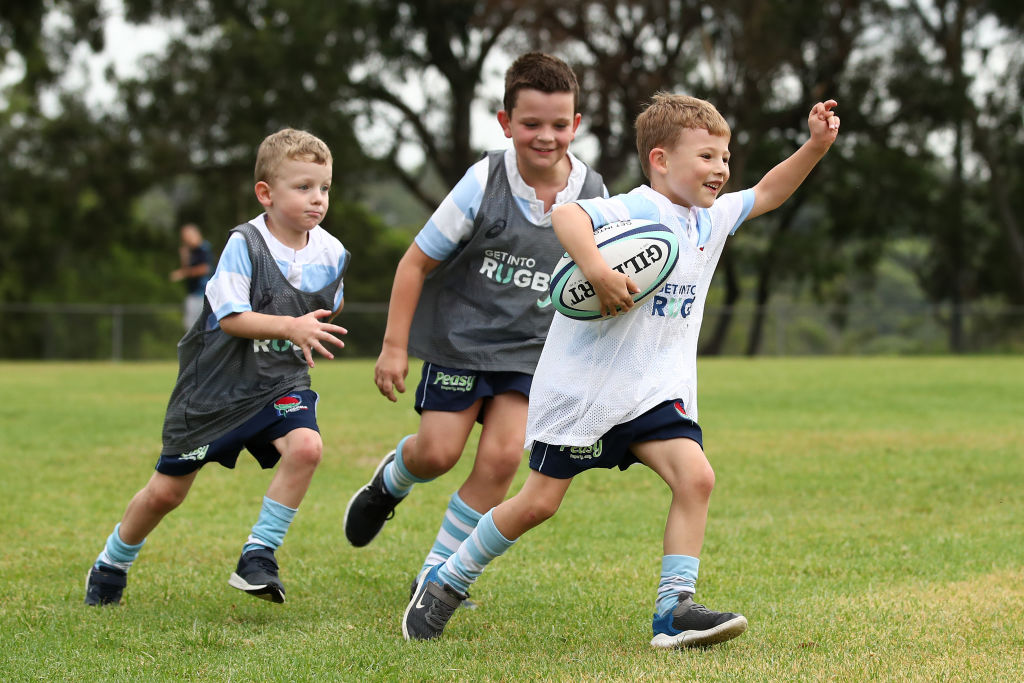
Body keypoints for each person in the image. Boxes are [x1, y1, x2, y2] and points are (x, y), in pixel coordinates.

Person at [401, 94, 841, 647]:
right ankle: (447, 580)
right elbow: (567, 214)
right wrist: (597, 269)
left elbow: (770, 191)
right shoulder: (635, 208)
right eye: (706, 156)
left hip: (655, 391)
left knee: (697, 477)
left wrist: (816, 146)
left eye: (725, 157)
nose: (721, 169)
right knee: (538, 503)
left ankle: (673, 611)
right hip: (586, 394)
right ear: (660, 160)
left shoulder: (713, 217)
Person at [343, 52, 606, 596]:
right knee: (437, 453)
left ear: (576, 124)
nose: (546, 137)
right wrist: (394, 346)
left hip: (534, 352)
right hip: (461, 343)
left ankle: (435, 573)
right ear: (506, 122)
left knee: (504, 457)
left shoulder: (594, 194)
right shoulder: (482, 181)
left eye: (560, 125)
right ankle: (389, 482)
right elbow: (414, 263)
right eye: (530, 124)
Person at [85, 128, 349, 606]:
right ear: (266, 194)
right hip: (215, 392)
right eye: (303, 187)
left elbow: (325, 309)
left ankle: (258, 555)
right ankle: (112, 561)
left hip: (279, 385)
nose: (318, 199)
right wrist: (291, 327)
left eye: (325, 187)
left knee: (307, 447)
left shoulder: (333, 254)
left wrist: (309, 331)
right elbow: (231, 319)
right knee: (166, 494)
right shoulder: (242, 245)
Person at [170, 223, 214, 330]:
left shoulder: (203, 248)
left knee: (197, 327)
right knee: (190, 326)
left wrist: (183, 273)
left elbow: (205, 269)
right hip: (193, 293)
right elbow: (187, 268)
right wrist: (184, 256)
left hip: (203, 293)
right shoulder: (191, 250)